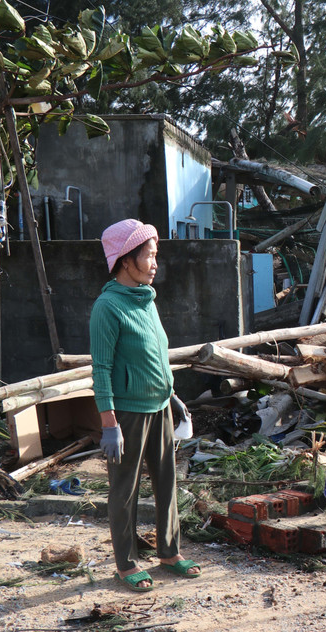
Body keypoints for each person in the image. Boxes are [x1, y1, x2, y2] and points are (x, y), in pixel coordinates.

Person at [90, 219, 201, 592]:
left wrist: (171, 394)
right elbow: (102, 369)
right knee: (125, 489)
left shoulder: (146, 300)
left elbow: (153, 355)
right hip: (130, 413)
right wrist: (110, 423)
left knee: (167, 482)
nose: (155, 263)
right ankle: (126, 564)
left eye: (155, 255)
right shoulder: (108, 307)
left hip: (160, 407)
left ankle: (169, 553)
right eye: (149, 256)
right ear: (126, 260)